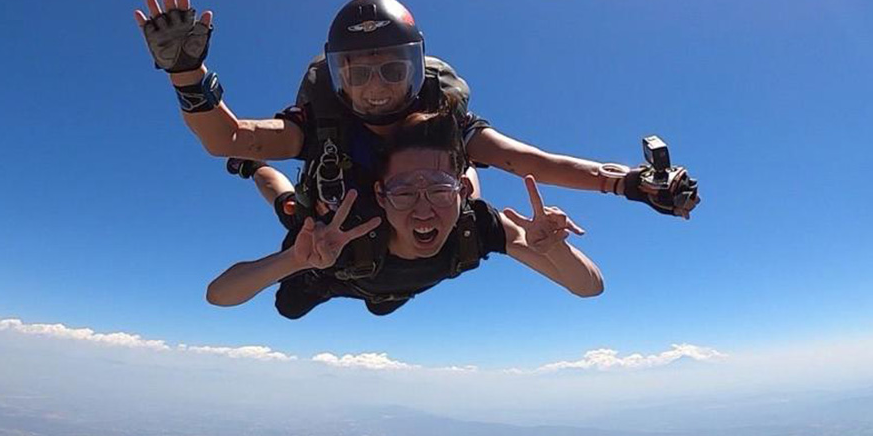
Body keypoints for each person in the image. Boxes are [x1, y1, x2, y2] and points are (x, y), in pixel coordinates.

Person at [133, 0, 700, 223]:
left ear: (415, 67)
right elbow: (227, 139)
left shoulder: (445, 118)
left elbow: (531, 162)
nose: (377, 87)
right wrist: (187, 74)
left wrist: (629, 183)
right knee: (284, 200)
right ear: (337, 77)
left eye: (391, 69)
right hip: (334, 221)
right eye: (358, 73)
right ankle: (256, 172)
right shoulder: (322, 120)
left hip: (403, 222)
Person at [206, 111, 603, 318]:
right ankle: (251, 166)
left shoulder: (476, 225)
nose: (423, 209)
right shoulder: (341, 230)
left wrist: (555, 248)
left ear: (462, 192)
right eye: (405, 192)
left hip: (392, 290)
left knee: (382, 306)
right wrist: (295, 260)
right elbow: (218, 295)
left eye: (440, 191)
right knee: (289, 216)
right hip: (332, 277)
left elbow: (589, 286)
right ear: (380, 195)